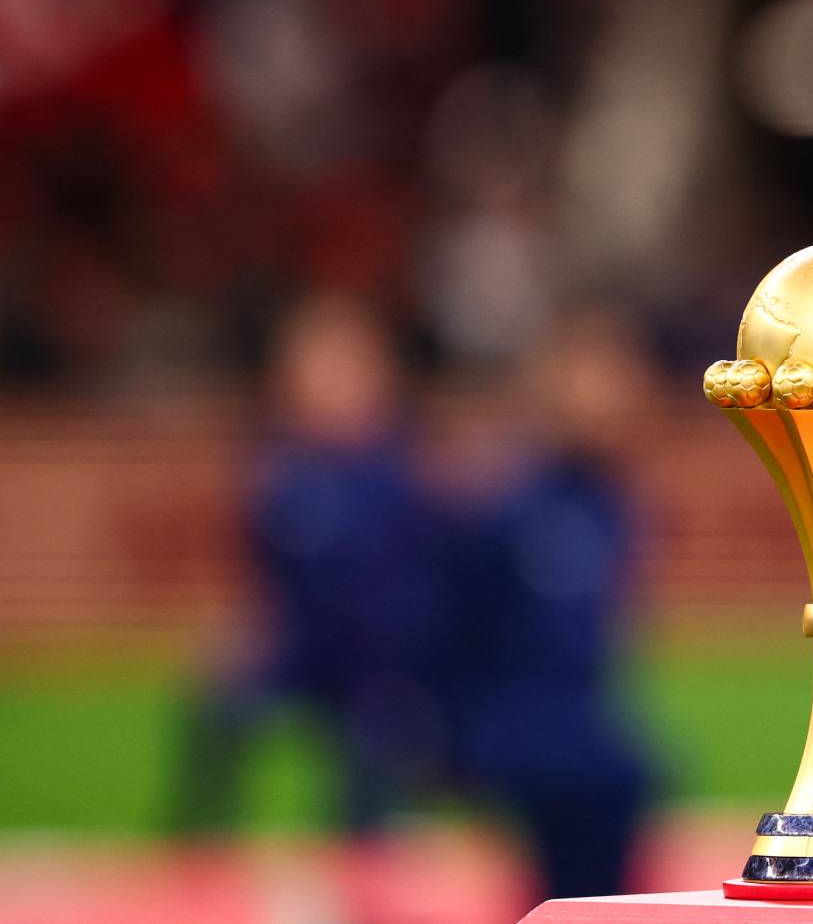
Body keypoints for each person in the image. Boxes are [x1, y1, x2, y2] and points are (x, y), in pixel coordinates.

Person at [176, 295, 455, 833]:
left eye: (343, 366)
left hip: (382, 665)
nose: (329, 383)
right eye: (314, 366)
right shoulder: (277, 472)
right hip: (300, 654)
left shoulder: (411, 470)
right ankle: (199, 849)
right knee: (219, 701)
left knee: (383, 736)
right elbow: (265, 580)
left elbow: (437, 582)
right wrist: (247, 631)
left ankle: (373, 841)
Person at [447, 308, 654, 899]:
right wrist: (464, 742)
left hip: (593, 738)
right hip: (532, 739)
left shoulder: (612, 503)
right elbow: (461, 626)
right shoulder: (508, 506)